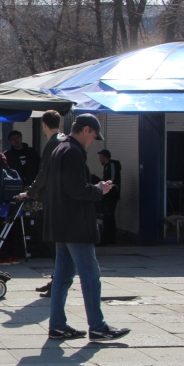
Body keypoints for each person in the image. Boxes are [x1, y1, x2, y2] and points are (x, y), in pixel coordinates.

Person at [44, 114, 130, 341]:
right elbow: (76, 189)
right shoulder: (73, 152)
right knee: (90, 274)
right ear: (86, 130)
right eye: (94, 136)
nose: (94, 141)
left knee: (62, 276)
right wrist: (99, 190)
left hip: (60, 222)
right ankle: (98, 327)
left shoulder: (59, 148)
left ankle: (57, 325)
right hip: (75, 224)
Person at [18, 110, 66, 296]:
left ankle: (58, 282)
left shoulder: (53, 143)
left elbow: (44, 172)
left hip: (53, 200)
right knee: (56, 243)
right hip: (60, 198)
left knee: (54, 242)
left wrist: (30, 191)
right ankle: (57, 278)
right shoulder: (64, 140)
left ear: (44, 124)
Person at [97, 149, 122, 245]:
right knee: (107, 216)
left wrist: (108, 187)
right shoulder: (107, 167)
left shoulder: (111, 165)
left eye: (101, 157)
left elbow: (112, 180)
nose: (100, 160)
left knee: (109, 215)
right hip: (107, 194)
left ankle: (110, 238)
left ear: (104, 157)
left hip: (111, 195)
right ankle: (107, 237)